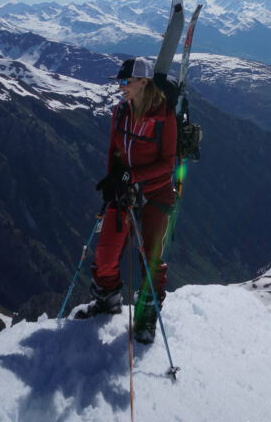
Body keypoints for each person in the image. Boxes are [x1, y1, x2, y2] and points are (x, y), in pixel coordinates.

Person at [83, 55, 177, 338]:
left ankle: (147, 315)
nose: (121, 86)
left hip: (156, 193)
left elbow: (167, 164)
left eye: (126, 82)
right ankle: (108, 300)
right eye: (119, 81)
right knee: (105, 254)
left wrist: (130, 177)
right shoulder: (121, 112)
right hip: (124, 192)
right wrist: (114, 180)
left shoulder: (164, 116)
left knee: (150, 257)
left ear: (143, 83)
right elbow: (115, 149)